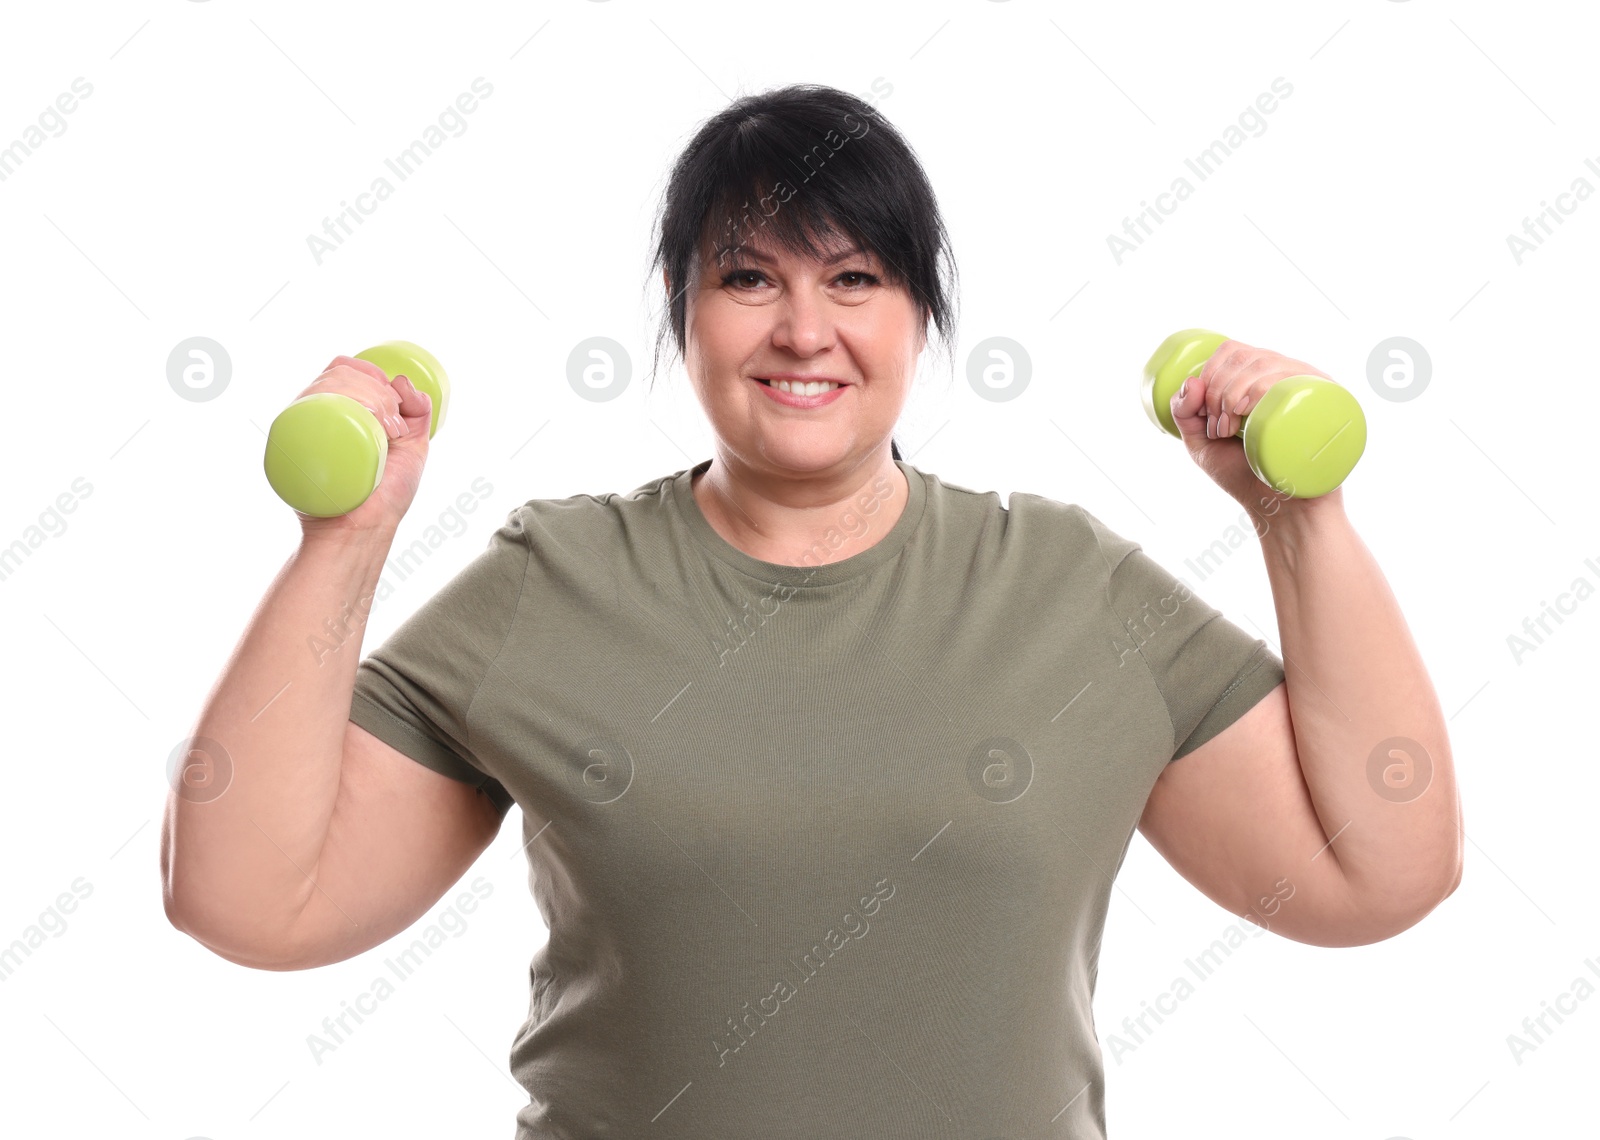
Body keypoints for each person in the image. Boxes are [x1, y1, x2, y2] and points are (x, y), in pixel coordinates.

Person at [163, 83, 1462, 1138]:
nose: (801, 330)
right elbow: (245, 903)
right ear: (681, 311)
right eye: (746, 278)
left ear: (918, 315)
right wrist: (346, 540)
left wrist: (1302, 519)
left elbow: (1379, 874)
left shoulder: (1071, 588)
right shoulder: (549, 583)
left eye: (852, 280)